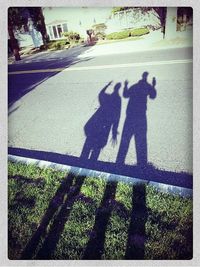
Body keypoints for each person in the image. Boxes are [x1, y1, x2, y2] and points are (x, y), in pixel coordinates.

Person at [116, 72, 156, 166]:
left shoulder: (134, 87)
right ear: (146, 79)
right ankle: (141, 164)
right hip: (141, 116)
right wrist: (154, 85)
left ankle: (119, 163)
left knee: (125, 139)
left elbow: (125, 95)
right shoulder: (148, 87)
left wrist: (125, 85)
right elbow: (153, 96)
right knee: (141, 140)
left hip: (130, 116)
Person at [81, 81, 121, 161]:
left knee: (88, 144)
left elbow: (100, 93)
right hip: (106, 125)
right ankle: (92, 164)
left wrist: (107, 85)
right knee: (98, 146)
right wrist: (114, 131)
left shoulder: (106, 97)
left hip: (97, 122)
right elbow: (117, 115)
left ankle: (82, 162)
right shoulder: (117, 99)